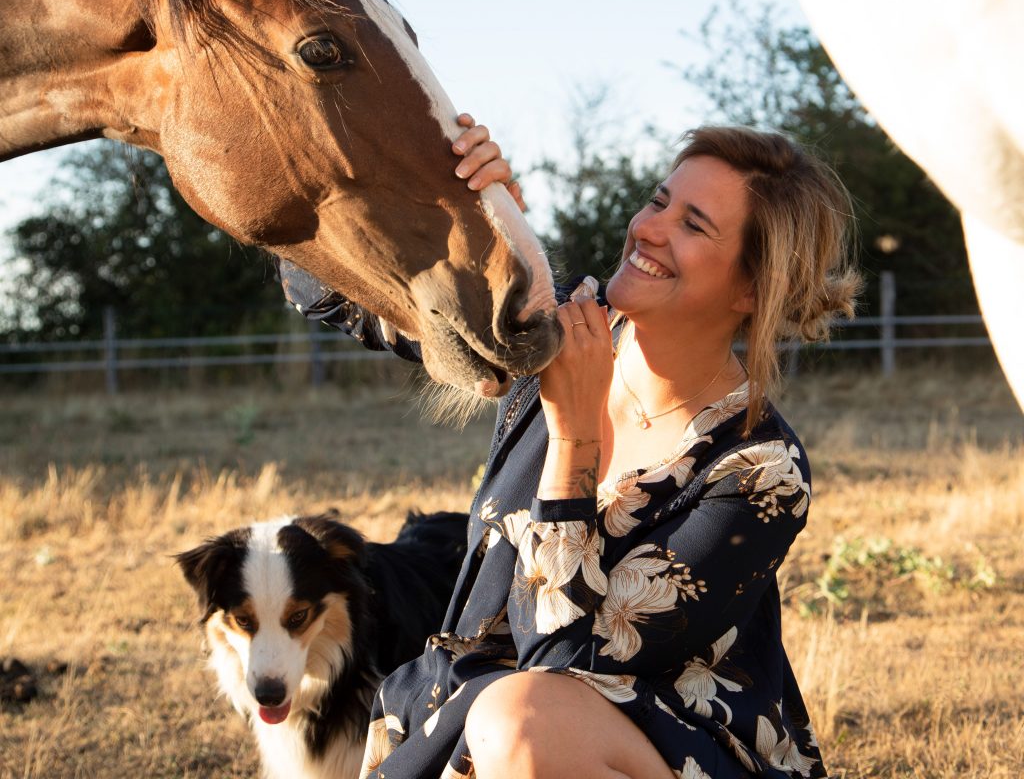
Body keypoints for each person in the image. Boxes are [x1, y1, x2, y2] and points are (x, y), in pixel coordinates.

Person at [279, 113, 860, 779]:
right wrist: (452, 212)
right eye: (658, 201)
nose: (647, 228)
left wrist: (575, 435)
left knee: (520, 719)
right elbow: (327, 289)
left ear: (755, 286)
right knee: (504, 721)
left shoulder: (758, 471)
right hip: (467, 724)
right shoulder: (552, 327)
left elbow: (562, 667)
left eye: (693, 225)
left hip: (657, 750)